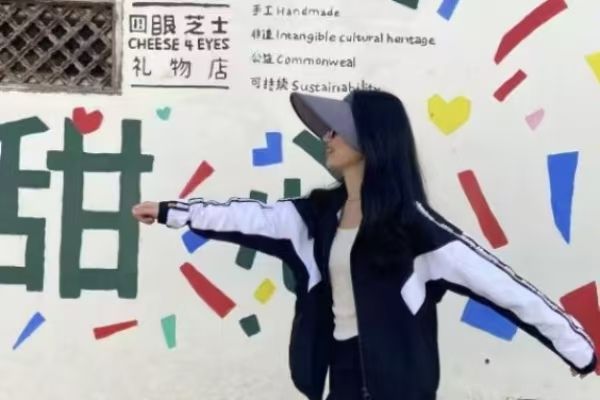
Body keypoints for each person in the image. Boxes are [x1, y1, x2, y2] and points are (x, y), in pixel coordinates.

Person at [132, 90, 597, 400]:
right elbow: (247, 216)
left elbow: (505, 289)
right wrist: (174, 211)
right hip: (342, 377)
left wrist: (580, 350)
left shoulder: (416, 230)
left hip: (399, 388)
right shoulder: (316, 217)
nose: (327, 137)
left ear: (373, 139)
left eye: (338, 129)